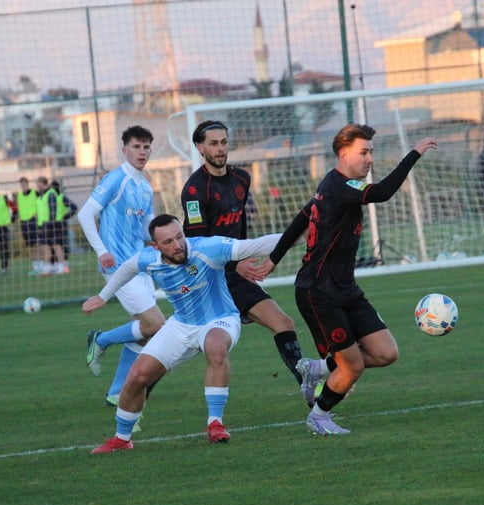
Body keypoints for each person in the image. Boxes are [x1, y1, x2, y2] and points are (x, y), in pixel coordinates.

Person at [254, 124, 438, 436]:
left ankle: (318, 368)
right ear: (344, 154)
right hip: (318, 292)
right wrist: (414, 153)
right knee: (352, 366)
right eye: (363, 152)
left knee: (385, 353)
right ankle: (319, 415)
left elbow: (301, 218)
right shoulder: (339, 186)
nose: (370, 159)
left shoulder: (335, 185)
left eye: (372, 152)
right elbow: (382, 192)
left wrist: (273, 259)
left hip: (345, 288)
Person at [82, 214, 281, 453]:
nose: (177, 245)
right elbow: (127, 268)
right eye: (168, 242)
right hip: (181, 325)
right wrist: (103, 296)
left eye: (179, 237)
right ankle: (122, 439)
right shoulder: (149, 259)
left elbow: (257, 244)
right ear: (155, 246)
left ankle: (215, 424)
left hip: (220, 318)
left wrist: (309, 232)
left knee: (215, 346)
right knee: (137, 376)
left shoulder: (207, 248)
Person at [181, 120, 315, 405]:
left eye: (224, 142)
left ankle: (308, 386)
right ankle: (136, 385)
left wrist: (241, 257)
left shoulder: (241, 178)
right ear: (200, 147)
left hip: (234, 270)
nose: (220, 149)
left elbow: (237, 229)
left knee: (283, 322)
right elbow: (197, 246)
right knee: (182, 348)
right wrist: (234, 264)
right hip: (208, 278)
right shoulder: (194, 190)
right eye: (214, 143)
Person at [78, 125, 166, 406]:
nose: (142, 152)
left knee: (144, 330)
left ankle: (116, 392)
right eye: (137, 147)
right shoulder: (116, 179)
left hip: (139, 265)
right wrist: (102, 251)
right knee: (156, 324)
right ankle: (101, 340)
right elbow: (85, 214)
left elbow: (145, 227)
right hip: (117, 267)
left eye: (146, 147)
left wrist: (156, 240)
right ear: (125, 149)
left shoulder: (144, 185)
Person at [50, 180, 77, 274]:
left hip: (60, 224)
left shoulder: (61, 197)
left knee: (61, 245)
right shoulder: (51, 199)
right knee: (55, 245)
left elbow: (74, 207)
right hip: (53, 224)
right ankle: (59, 266)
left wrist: (65, 216)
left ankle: (64, 266)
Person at [33, 176, 58, 275]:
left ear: (42, 183)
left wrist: (50, 222)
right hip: (41, 224)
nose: (37, 186)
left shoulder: (50, 194)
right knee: (45, 246)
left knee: (48, 246)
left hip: (48, 224)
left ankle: (49, 267)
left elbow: (53, 210)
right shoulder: (40, 195)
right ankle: (50, 267)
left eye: (38, 183)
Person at [15, 176, 38, 274]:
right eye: (21, 184)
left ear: (28, 184)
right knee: (29, 245)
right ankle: (35, 267)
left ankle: (41, 264)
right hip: (24, 222)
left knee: (37, 244)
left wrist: (36, 215)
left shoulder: (34, 193)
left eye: (25, 184)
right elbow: (18, 209)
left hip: (33, 220)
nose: (23, 185)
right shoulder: (19, 195)